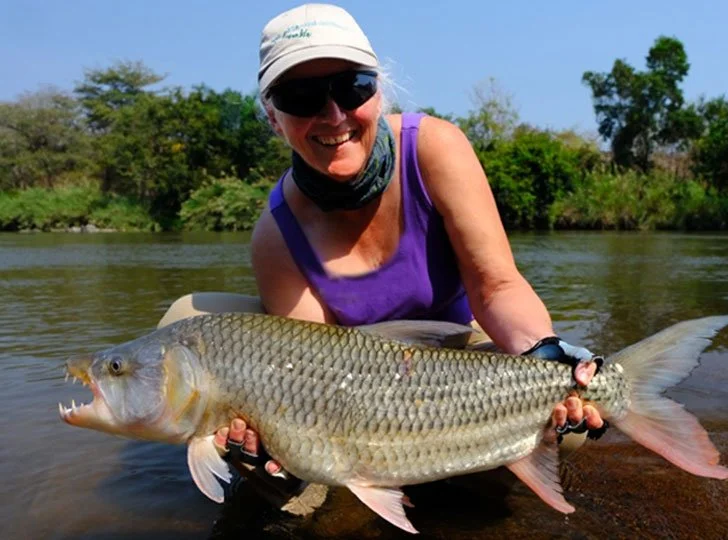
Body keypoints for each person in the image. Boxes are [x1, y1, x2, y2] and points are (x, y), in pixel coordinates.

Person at [158, 3, 603, 514]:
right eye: (300, 97)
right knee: (286, 484)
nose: (332, 115)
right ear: (273, 119)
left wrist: (543, 354)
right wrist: (277, 445)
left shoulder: (435, 147)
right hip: (348, 388)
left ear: (378, 91)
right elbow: (309, 372)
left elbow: (496, 287)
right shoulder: (275, 233)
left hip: (456, 358)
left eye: (352, 88)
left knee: (567, 421)